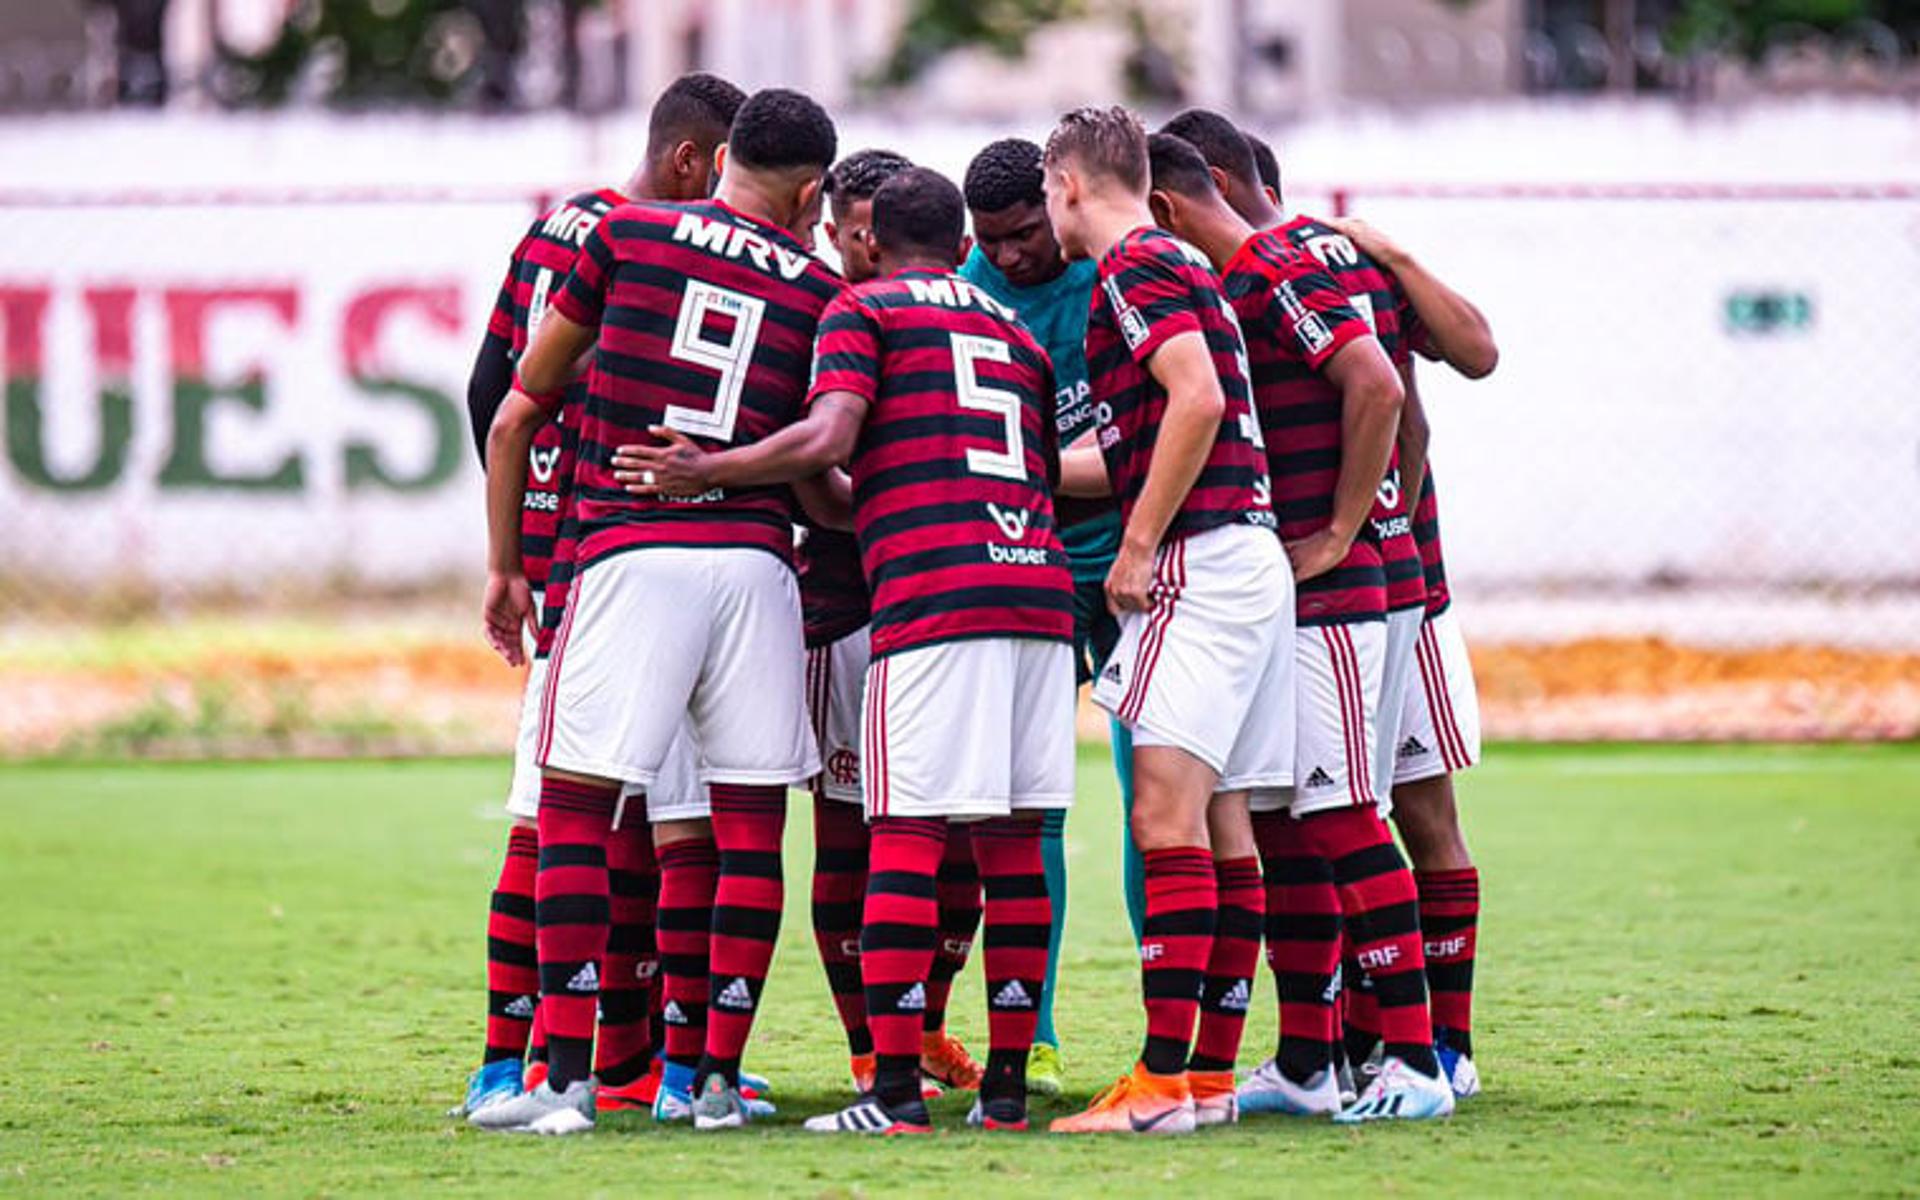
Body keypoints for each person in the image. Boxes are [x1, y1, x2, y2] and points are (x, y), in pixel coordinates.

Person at [613, 166, 1075, 1136]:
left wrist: (709, 468)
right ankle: (1001, 1093)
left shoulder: (863, 314)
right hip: (1036, 594)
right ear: (963, 247)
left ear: (867, 243)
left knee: (899, 835)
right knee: (1011, 845)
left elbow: (829, 433)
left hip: (934, 597)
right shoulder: (1016, 334)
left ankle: (894, 1095)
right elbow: (1035, 470)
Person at [474, 87, 842, 1135]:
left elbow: (514, 411)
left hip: (628, 558)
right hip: (759, 570)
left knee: (576, 813)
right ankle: (712, 1082)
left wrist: (507, 564)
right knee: (747, 829)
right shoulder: (821, 289)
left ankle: (560, 1083)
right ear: (811, 189)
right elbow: (822, 470)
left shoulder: (620, 234)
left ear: (718, 158)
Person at [448, 71, 745, 1122]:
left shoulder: (554, 231)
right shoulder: (649, 245)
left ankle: (539, 1058)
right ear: (692, 162)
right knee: (645, 822)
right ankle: (642, 1064)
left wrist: (519, 539)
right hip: (626, 552)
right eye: (729, 173)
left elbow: (494, 396)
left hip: (574, 555)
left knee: (571, 813)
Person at [1144, 120, 1453, 1124]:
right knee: (1289, 823)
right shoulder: (1266, 273)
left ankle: (1414, 1063)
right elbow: (1409, 411)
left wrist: (1346, 528)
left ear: (1168, 208)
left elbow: (1378, 384)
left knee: (1344, 814)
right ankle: (1313, 1061)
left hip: (1334, 594)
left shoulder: (1274, 265)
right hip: (1311, 595)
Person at [1040, 106, 1291, 1136]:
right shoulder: (1183, 267)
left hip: (1203, 561)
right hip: (1251, 557)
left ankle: (1155, 1084)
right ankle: (1206, 1079)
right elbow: (1159, 427)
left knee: (1163, 818)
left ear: (1066, 187)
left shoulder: (1134, 269)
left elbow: (1195, 403)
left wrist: (1138, 544)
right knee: (1224, 825)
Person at [803, 148, 988, 1098]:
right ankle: (869, 1047)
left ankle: (927, 1024)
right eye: (855, 229)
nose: (869, 244)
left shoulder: (949, 314)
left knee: (958, 848)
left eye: (883, 227)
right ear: (833, 231)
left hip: (949, 602)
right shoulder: (819, 312)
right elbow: (819, 460)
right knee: (851, 835)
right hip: (846, 610)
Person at [955, 135, 1116, 1098]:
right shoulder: (967, 282)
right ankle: (1036, 1035)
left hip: (1134, 553)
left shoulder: (1112, 272)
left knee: (1159, 804)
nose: (1011, 258)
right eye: (993, 242)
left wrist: (1027, 471)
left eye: (1024, 236)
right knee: (1029, 803)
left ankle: (1168, 1044)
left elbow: (1141, 446)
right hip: (1025, 557)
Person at [1326, 213, 1497, 1100]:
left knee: (1420, 816)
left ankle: (1448, 1044)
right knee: (1327, 814)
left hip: (1406, 593)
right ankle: (1353, 1046)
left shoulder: (1350, 274)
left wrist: (1392, 252)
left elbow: (1476, 353)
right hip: (1330, 602)